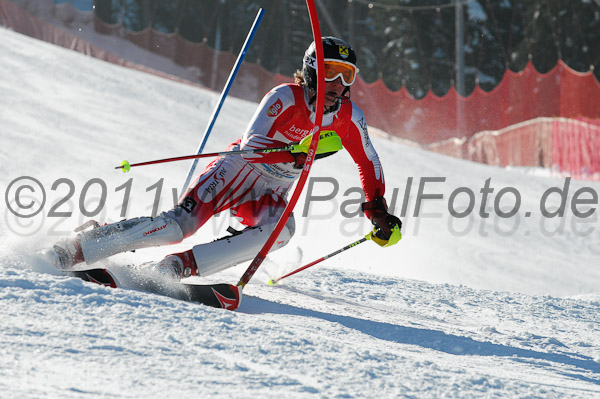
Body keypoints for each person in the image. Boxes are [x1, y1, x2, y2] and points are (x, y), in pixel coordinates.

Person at [50, 36, 402, 280]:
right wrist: (292, 155)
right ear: (312, 71)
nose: (339, 84)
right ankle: (80, 246)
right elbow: (252, 145)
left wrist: (377, 209)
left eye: (347, 76)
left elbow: (368, 162)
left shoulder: (349, 117)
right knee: (177, 227)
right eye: (331, 73)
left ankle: (177, 268)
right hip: (236, 170)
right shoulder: (285, 97)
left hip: (270, 190)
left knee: (281, 230)